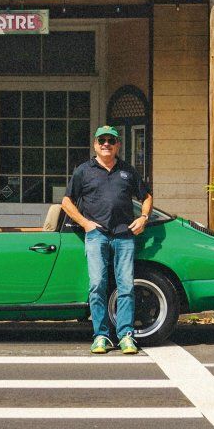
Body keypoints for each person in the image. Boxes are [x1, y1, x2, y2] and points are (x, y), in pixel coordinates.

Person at [60, 125, 153, 354]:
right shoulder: (84, 171)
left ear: (118, 145)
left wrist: (143, 218)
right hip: (96, 235)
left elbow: (147, 196)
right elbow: (66, 202)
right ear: (95, 144)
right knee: (96, 285)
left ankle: (126, 335)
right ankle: (101, 335)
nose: (106, 144)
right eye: (102, 140)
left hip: (124, 236)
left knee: (125, 286)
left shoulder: (127, 171)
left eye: (111, 141)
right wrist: (85, 224)